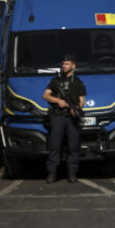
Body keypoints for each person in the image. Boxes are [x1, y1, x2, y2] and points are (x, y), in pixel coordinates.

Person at [43, 54, 86, 184]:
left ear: (73, 66)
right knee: (55, 145)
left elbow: (82, 100)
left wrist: (76, 109)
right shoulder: (55, 81)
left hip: (71, 117)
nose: (64, 66)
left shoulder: (78, 82)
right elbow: (46, 95)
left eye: (67, 64)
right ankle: (52, 172)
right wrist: (58, 101)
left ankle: (72, 172)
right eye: (63, 64)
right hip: (58, 116)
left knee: (73, 145)